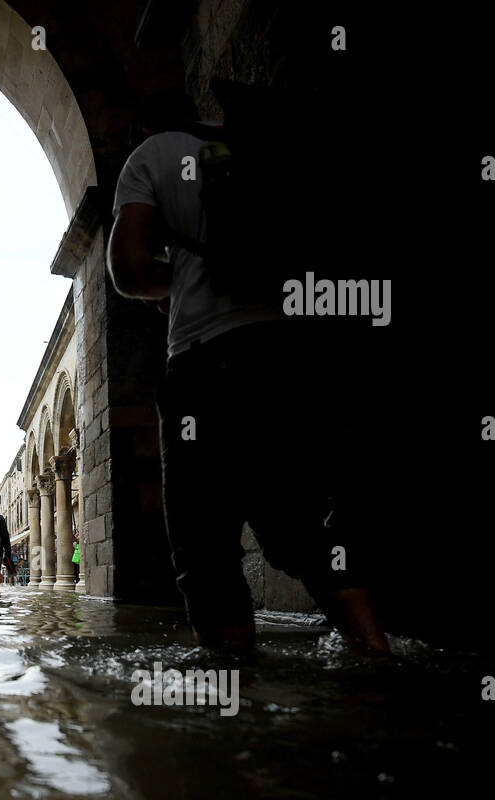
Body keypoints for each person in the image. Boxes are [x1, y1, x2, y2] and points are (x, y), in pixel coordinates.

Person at [106, 88, 389, 657]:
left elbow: (129, 269)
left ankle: (231, 693)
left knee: (203, 543)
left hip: (205, 360)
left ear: (142, 125)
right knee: (305, 528)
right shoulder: (258, 147)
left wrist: (173, 286)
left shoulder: (151, 157)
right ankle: (377, 651)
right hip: (288, 357)